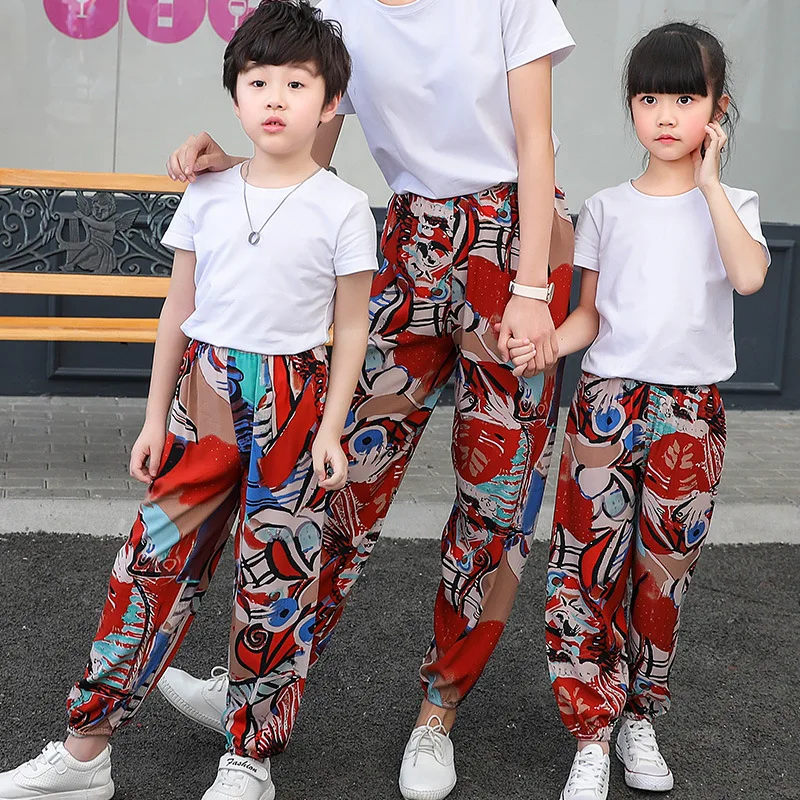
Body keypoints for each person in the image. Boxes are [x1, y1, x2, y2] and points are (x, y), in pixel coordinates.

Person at [161, 1, 576, 798]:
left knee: (496, 496)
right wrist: (241, 160)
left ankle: (437, 713)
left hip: (510, 243)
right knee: (340, 473)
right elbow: (311, 140)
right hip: (409, 240)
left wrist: (529, 285)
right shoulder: (337, 11)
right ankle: (260, 688)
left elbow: (532, 141)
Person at [0, 4, 376, 799]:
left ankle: (249, 757)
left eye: (297, 83)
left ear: (331, 102)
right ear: (236, 97)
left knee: (276, 581)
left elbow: (351, 329)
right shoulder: (206, 192)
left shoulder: (343, 208)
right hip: (203, 396)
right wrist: (150, 415)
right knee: (147, 564)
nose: (276, 97)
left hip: (297, 401)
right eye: (258, 81)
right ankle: (84, 752)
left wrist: (334, 428)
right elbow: (177, 311)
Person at [505, 21, 770, 800]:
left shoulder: (735, 203)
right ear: (630, 107)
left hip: (691, 416)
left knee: (663, 576)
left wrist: (714, 184)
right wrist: (552, 342)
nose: (664, 114)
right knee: (584, 573)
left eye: (685, 97)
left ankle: (639, 717)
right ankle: (591, 731)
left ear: (717, 109)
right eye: (648, 97)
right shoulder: (607, 209)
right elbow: (593, 316)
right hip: (606, 407)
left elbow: (750, 278)